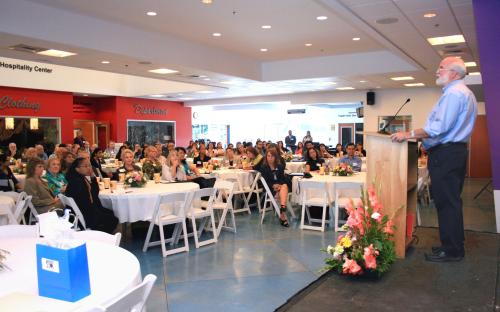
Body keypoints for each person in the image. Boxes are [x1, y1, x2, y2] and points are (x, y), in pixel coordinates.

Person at [391, 57, 477, 263]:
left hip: (446, 154)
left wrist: (408, 134)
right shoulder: (464, 93)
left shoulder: (454, 94)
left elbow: (438, 128)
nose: (437, 71)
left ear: (454, 73)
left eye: (441, 68)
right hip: (454, 153)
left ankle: (453, 250)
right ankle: (453, 244)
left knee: (447, 203)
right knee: (451, 201)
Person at [65, 157, 118, 233]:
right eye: (86, 166)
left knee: (110, 213)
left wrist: (93, 178)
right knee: (113, 220)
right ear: (77, 169)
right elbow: (88, 202)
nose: (89, 168)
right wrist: (98, 213)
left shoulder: (79, 178)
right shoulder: (78, 182)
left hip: (79, 213)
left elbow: (94, 194)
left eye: (90, 165)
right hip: (83, 215)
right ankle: (98, 236)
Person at [260, 149, 290, 227]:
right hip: (270, 189)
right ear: (266, 157)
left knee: (284, 186)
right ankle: (283, 212)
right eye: (268, 156)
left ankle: (282, 209)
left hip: (280, 187)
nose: (270, 158)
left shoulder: (280, 166)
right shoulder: (263, 167)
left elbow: (283, 179)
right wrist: (273, 186)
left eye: (272, 156)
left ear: (275, 157)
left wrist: (278, 185)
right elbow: (264, 182)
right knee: (284, 187)